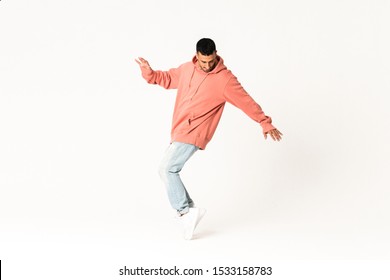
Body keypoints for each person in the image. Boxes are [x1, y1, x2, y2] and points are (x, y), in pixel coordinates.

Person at [135, 38, 282, 240]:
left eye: (211, 61)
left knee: (166, 169)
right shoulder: (187, 69)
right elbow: (167, 79)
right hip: (179, 129)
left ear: (215, 55)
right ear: (197, 56)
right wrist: (149, 73)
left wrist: (264, 122)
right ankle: (191, 210)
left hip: (196, 131)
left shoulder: (225, 79)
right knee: (168, 170)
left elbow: (246, 101)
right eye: (203, 62)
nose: (207, 65)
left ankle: (185, 212)